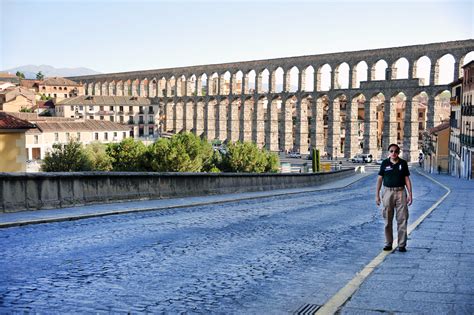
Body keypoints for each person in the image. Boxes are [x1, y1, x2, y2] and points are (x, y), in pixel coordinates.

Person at [375, 144, 413, 252]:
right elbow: (379, 180)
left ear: (398, 152)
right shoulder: (385, 163)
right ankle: (388, 243)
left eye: (396, 151)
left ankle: (402, 245)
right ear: (388, 152)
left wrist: (410, 194)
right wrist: (377, 195)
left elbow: (407, 179)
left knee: (402, 219)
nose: (393, 153)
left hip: (401, 192)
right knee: (387, 219)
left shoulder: (403, 163)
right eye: (391, 151)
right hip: (388, 192)